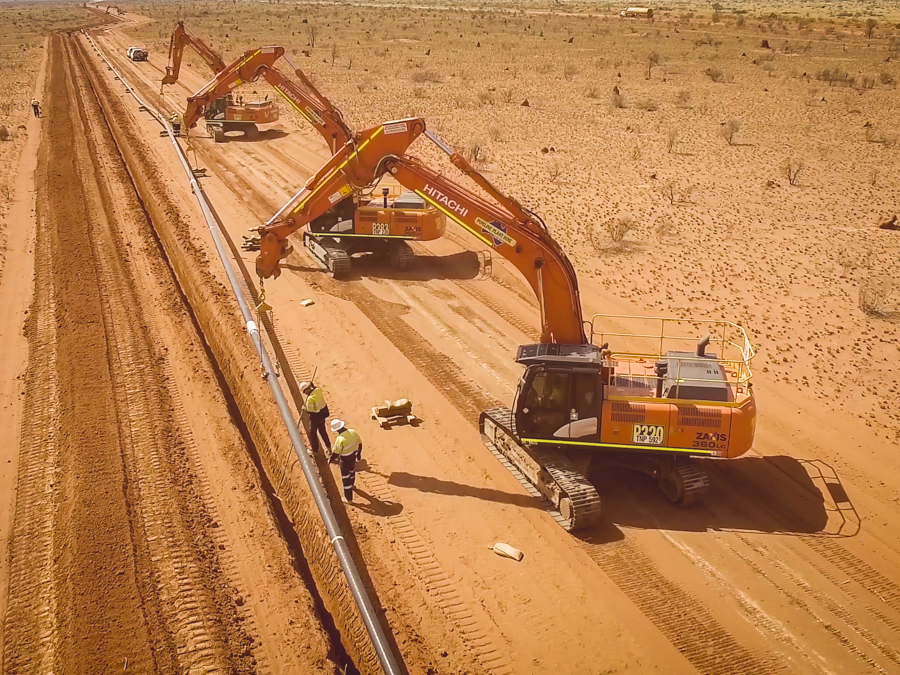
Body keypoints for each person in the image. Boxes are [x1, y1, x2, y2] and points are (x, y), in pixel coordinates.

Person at [328, 419, 362, 503]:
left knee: (345, 478)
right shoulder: (353, 432)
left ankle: (348, 499)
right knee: (352, 471)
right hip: (353, 456)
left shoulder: (340, 439)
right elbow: (360, 443)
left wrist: (330, 459)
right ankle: (352, 484)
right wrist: (359, 453)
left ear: (336, 430)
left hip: (345, 460)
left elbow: (336, 453)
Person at [300, 381, 330, 454]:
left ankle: (314, 450)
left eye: (304, 392)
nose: (305, 393)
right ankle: (329, 449)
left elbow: (311, 411)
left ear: (307, 390)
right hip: (323, 415)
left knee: (312, 433)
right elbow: (315, 388)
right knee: (323, 431)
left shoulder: (310, 399)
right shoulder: (317, 391)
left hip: (315, 418)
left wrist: (304, 408)